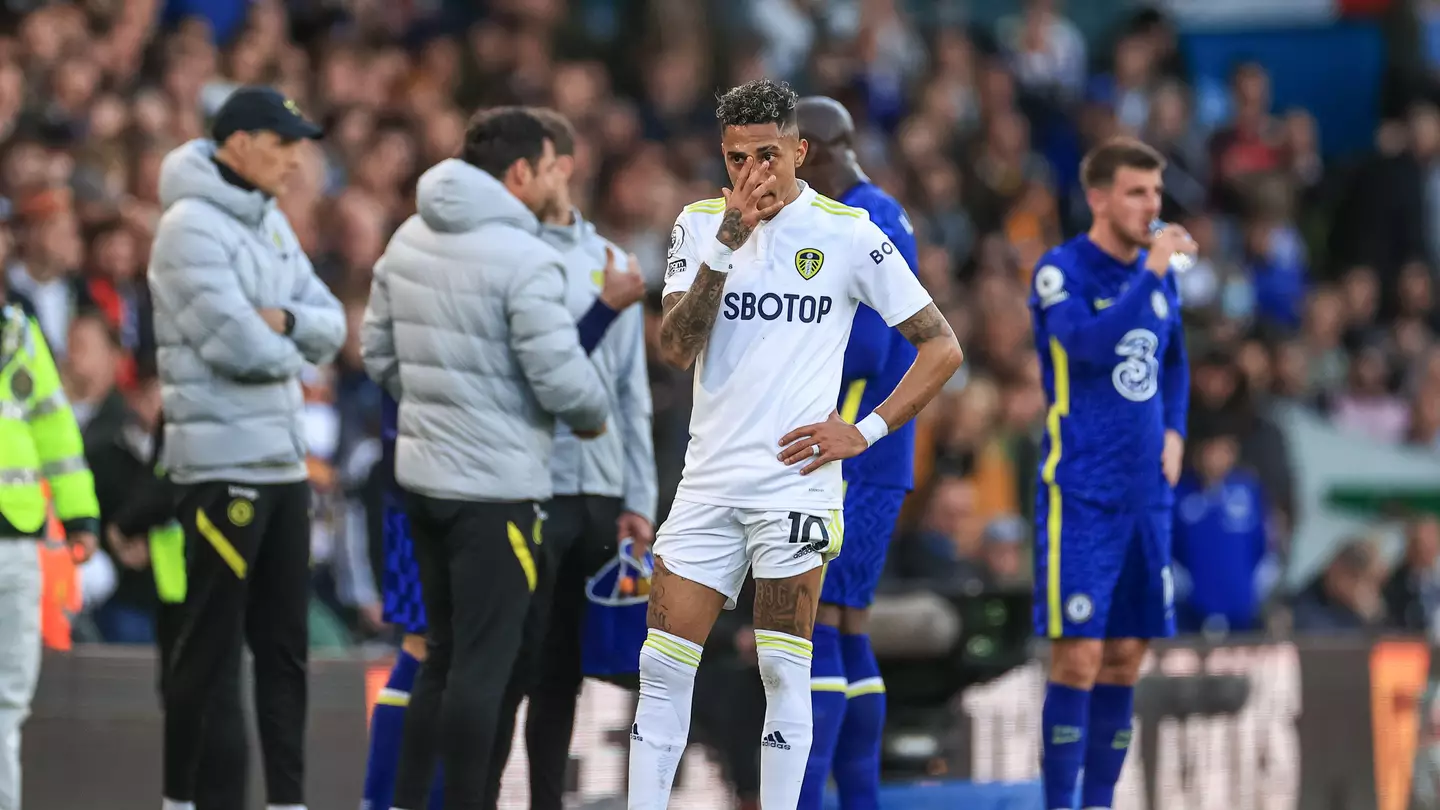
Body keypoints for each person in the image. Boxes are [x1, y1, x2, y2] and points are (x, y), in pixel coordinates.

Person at [631, 79, 963, 810]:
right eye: (736, 157)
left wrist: (865, 430)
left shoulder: (848, 232)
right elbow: (677, 349)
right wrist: (727, 240)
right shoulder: (698, 224)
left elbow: (940, 347)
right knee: (661, 667)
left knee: (786, 671)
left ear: (800, 151)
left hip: (795, 485)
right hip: (709, 482)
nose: (751, 173)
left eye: (767, 155)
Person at [357, 109, 648, 810]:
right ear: (521, 174)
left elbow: (377, 357)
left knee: (439, 659)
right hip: (499, 495)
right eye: (551, 167)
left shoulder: (408, 237)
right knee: (486, 674)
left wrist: (440, 401)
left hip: (424, 485)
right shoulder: (524, 260)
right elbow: (571, 392)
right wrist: (585, 405)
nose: (561, 179)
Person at [147, 85, 345, 810]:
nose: (297, 160)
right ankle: (182, 800)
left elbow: (326, 322)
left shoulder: (268, 223)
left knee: (285, 651)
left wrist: (284, 319)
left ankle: (287, 803)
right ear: (239, 144)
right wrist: (295, 337)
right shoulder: (188, 227)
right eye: (284, 142)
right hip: (220, 468)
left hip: (281, 464)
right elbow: (238, 345)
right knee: (208, 651)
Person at [483, 108, 656, 810]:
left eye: (552, 163)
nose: (543, 176)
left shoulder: (612, 259)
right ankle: (481, 796)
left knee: (564, 670)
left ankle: (544, 802)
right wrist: (604, 313)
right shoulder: (507, 262)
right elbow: (533, 378)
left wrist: (638, 497)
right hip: (535, 482)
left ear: (567, 169)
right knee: (513, 665)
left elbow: (631, 393)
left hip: (597, 491)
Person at [1027, 137, 1193, 810]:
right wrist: (1151, 272)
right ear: (1098, 198)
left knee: (1127, 657)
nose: (1151, 205)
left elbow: (1175, 358)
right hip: (1082, 493)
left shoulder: (1163, 280)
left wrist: (1177, 428)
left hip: (1146, 498)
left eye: (1155, 192)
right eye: (1136, 192)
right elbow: (1089, 348)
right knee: (1079, 659)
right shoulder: (1060, 270)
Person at [793, 95, 921, 810]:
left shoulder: (860, 220)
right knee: (847, 624)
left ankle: (812, 800)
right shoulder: (889, 210)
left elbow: (870, 345)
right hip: (882, 455)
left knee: (812, 627)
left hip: (850, 448)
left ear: (814, 151)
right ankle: (861, 801)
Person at [0, 294, 99, 810]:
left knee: (9, 704)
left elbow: (55, 431)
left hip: (18, 538)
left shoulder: (19, 332)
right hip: (16, 540)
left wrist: (79, 514)